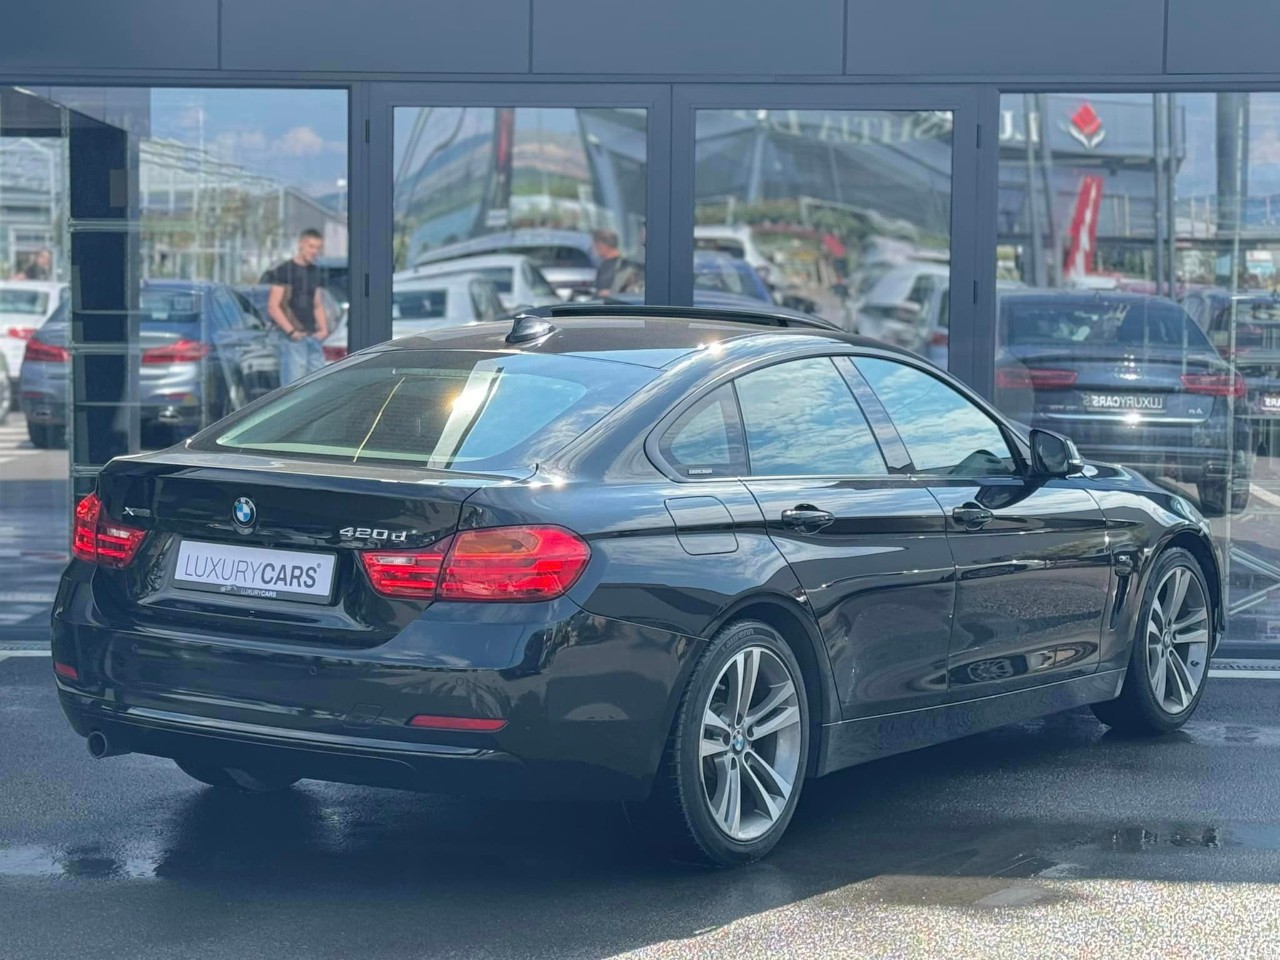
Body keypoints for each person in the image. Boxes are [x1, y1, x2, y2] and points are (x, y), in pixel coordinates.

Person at [263, 229, 328, 385]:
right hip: (291, 339)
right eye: (311, 246)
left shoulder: (315, 272)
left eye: (318, 248)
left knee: (319, 385)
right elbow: (273, 306)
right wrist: (291, 332)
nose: (314, 251)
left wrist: (323, 329)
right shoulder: (284, 271)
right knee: (295, 386)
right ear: (301, 244)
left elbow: (317, 304)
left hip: (313, 337)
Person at [592, 229, 624, 298]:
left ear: (601, 245)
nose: (593, 248)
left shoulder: (622, 266)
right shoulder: (604, 264)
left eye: (594, 244)